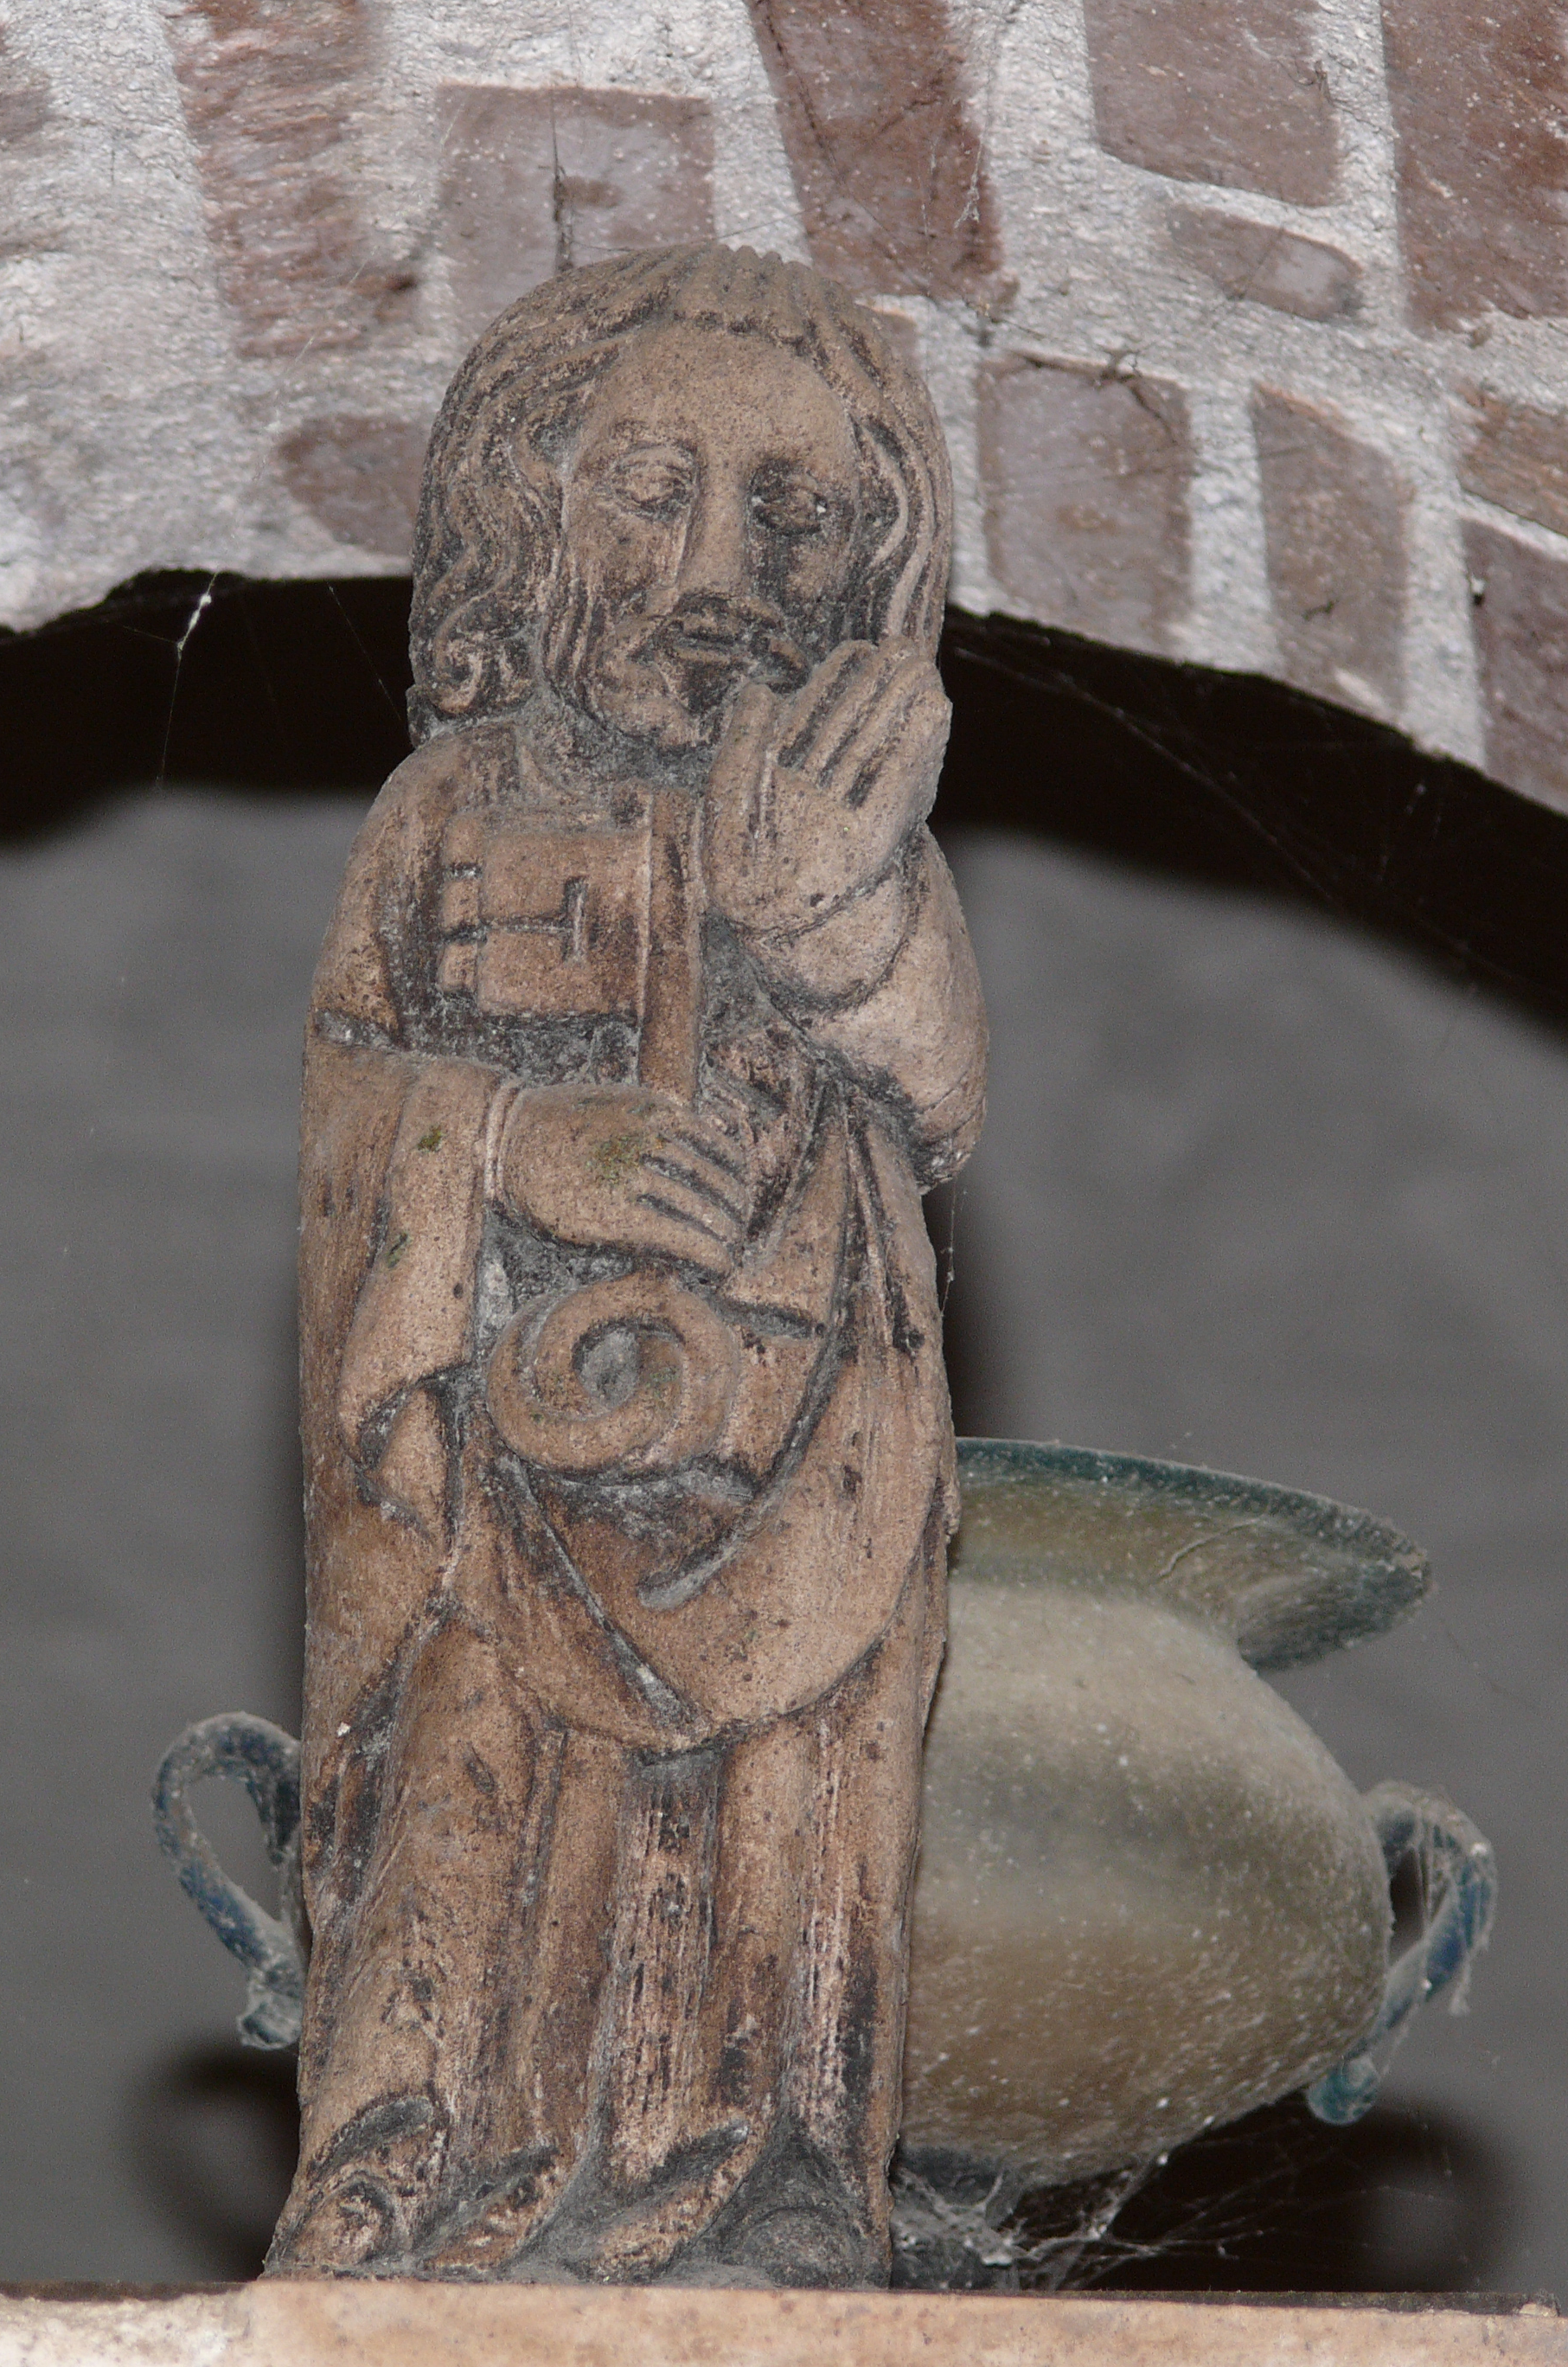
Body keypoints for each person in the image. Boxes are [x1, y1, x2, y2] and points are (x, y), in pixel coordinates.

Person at [280, 243, 985, 2286]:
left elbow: (944, 1090)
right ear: (539, 523)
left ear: (864, 569)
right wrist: (515, 1147)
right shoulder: (444, 814)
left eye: (794, 516)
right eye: (656, 493)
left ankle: (765, 2179)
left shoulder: (858, 834)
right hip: (505, 1473)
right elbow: (346, 1110)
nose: (720, 567)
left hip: (798, 1436)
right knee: (473, 1773)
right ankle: (414, 2160)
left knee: (779, 1811)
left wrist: (830, 913)